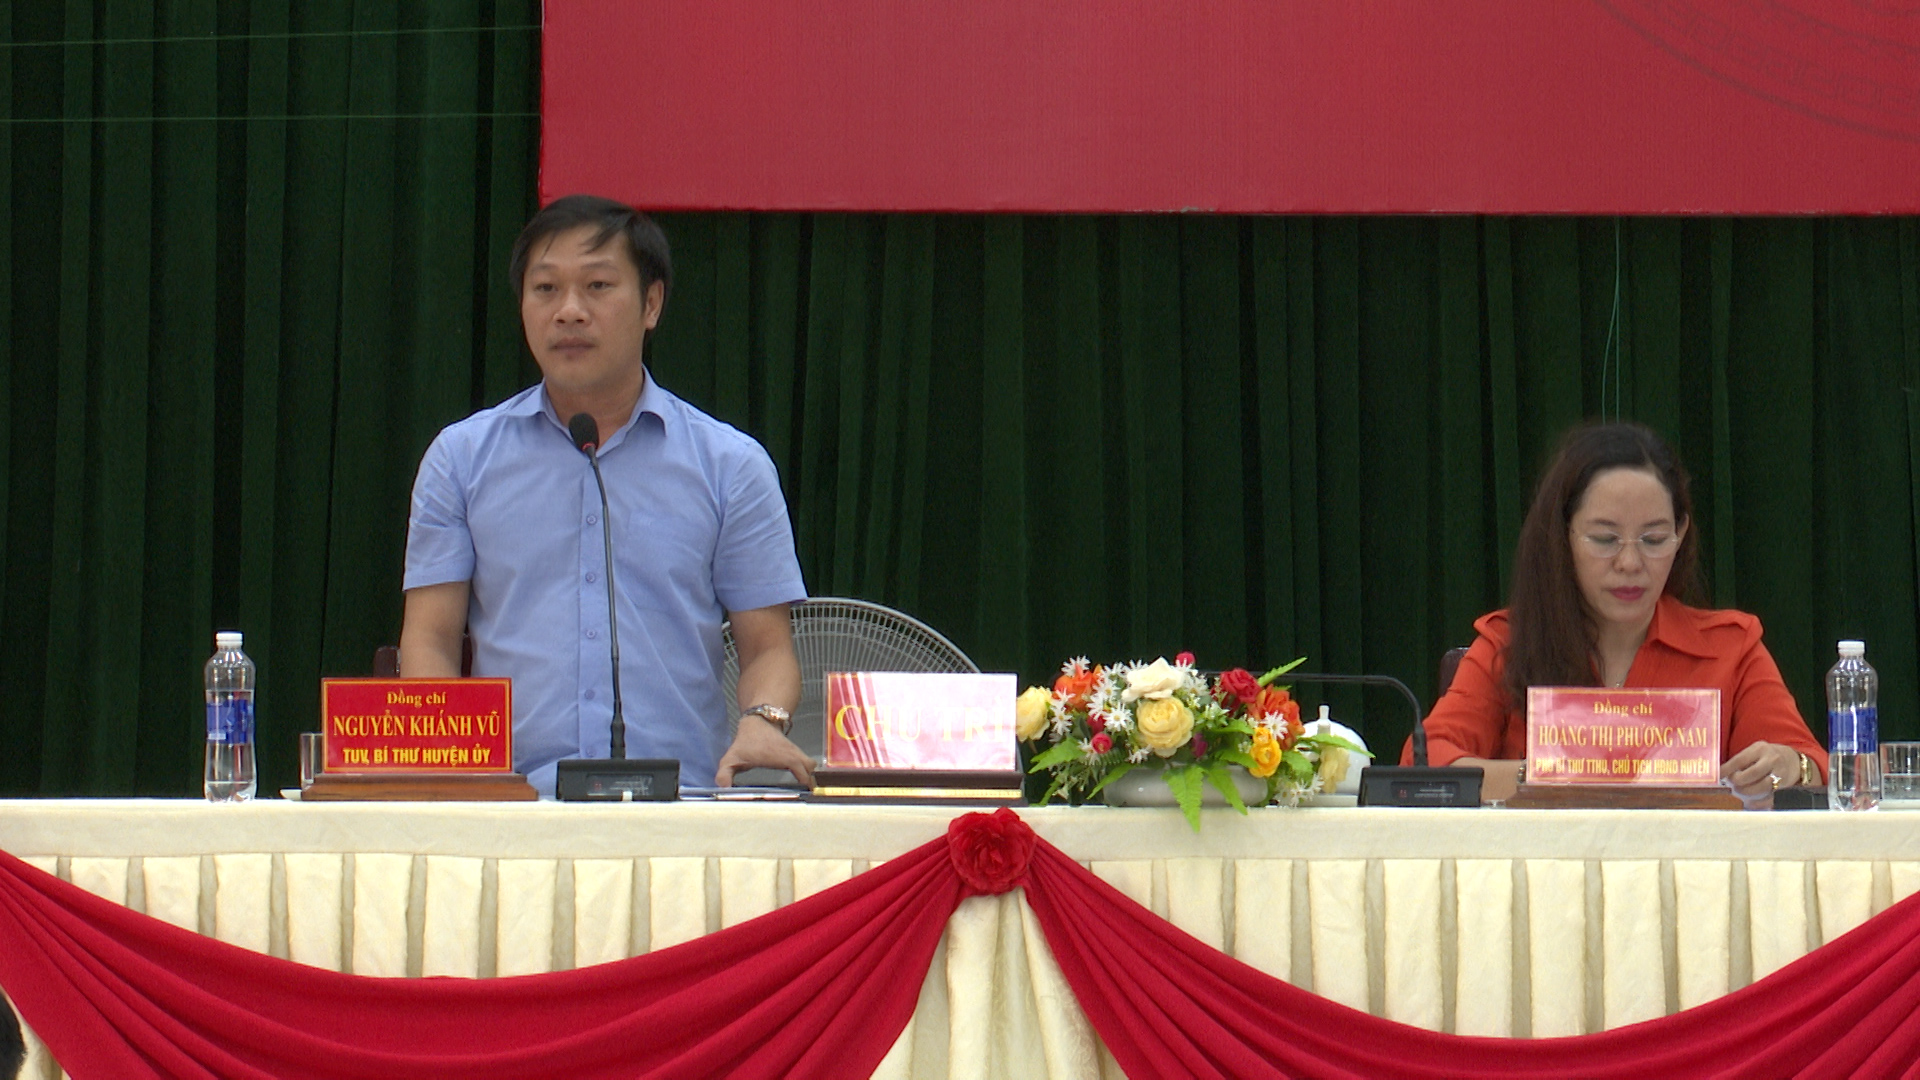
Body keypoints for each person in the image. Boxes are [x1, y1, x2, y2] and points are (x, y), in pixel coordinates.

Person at [400, 195, 812, 795]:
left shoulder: (730, 466)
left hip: (678, 808)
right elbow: (431, 640)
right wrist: (452, 780)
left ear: (652, 303)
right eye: (545, 289)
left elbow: (768, 649)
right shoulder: (461, 460)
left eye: (597, 286)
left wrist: (762, 721)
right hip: (511, 808)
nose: (569, 311)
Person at [1408, 422, 1827, 806]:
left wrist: (1791, 766)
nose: (1630, 563)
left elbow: (1817, 768)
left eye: (1654, 539)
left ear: (1680, 533)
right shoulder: (1509, 643)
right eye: (1605, 539)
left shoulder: (1730, 647)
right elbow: (1423, 763)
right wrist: (1540, 776)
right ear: (1563, 536)